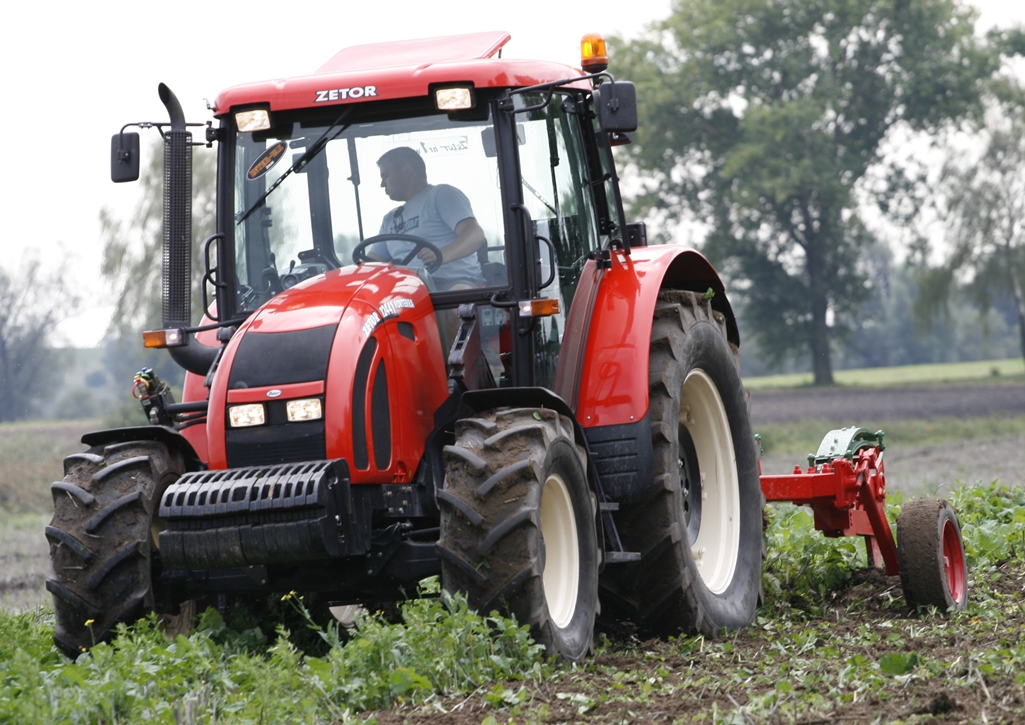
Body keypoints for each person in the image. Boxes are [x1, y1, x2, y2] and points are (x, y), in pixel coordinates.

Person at [376, 147, 486, 289]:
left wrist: (440, 256)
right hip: (410, 290)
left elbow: (476, 235)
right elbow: (371, 263)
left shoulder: (440, 195)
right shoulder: (389, 220)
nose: (382, 184)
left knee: (456, 302)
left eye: (386, 175)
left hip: (455, 282)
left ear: (406, 171)